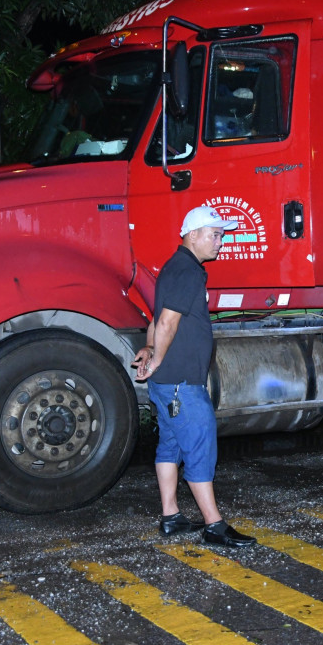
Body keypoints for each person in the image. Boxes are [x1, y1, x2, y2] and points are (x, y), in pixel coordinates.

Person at [133, 206, 256, 548]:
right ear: (193, 235)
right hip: (182, 383)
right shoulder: (187, 271)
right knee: (200, 447)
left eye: (221, 235)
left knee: (170, 444)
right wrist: (157, 358)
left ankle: (171, 516)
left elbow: (157, 319)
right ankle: (214, 525)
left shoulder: (174, 267)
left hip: (169, 382)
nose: (220, 241)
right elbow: (167, 322)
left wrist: (150, 348)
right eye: (215, 235)